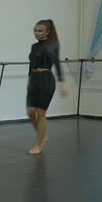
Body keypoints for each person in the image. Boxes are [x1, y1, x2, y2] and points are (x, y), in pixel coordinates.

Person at [26, 19, 67, 155]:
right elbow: (31, 64)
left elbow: (57, 63)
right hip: (34, 78)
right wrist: (29, 79)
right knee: (30, 112)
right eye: (35, 30)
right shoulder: (34, 46)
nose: (36, 33)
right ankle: (42, 135)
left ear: (48, 32)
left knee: (41, 113)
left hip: (46, 80)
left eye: (40, 31)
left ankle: (39, 144)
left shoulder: (52, 45)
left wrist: (62, 82)